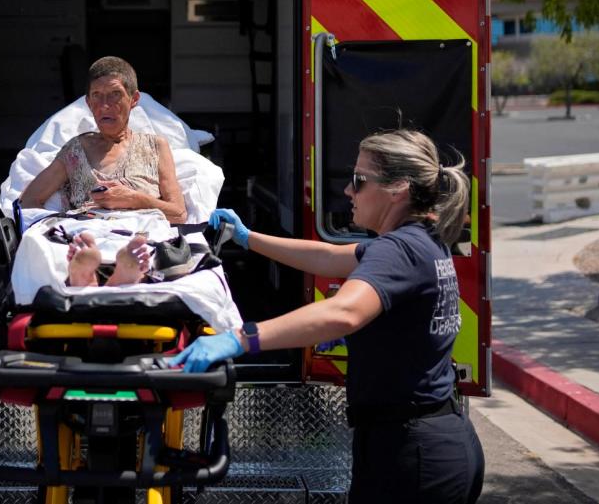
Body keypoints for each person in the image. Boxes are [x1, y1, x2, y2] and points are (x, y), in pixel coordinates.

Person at [169, 129, 484, 504]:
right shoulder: (420, 238)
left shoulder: (400, 250)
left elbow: (344, 311)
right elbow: (327, 257)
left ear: (398, 188)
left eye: (359, 181)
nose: (349, 192)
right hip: (431, 439)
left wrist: (239, 338)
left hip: (412, 452)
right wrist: (248, 237)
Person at [21, 56, 187, 224]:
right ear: (88, 103)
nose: (105, 105)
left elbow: (179, 214)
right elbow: (29, 201)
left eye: (115, 95)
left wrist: (134, 199)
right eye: (97, 95)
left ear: (134, 99)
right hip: (86, 240)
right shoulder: (76, 151)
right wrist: (57, 230)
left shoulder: (155, 147)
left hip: (142, 244)